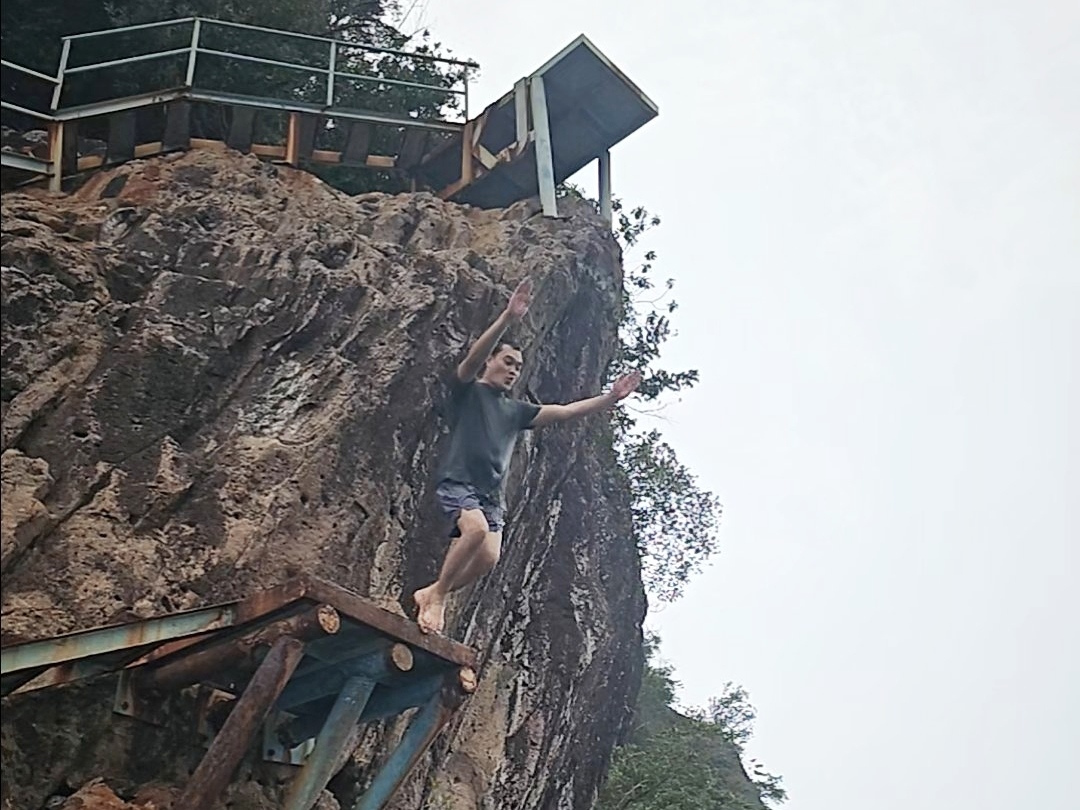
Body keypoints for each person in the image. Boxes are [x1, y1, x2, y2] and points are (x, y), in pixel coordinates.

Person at [413, 277, 641, 634]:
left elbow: (563, 412)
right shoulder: (467, 391)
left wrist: (609, 398)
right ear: (491, 362)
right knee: (474, 531)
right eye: (507, 362)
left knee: (488, 557)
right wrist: (507, 317)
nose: (513, 370)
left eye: (518, 367)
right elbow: (473, 358)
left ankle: (432, 590)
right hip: (459, 482)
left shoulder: (515, 410)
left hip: (492, 496)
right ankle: (437, 597)